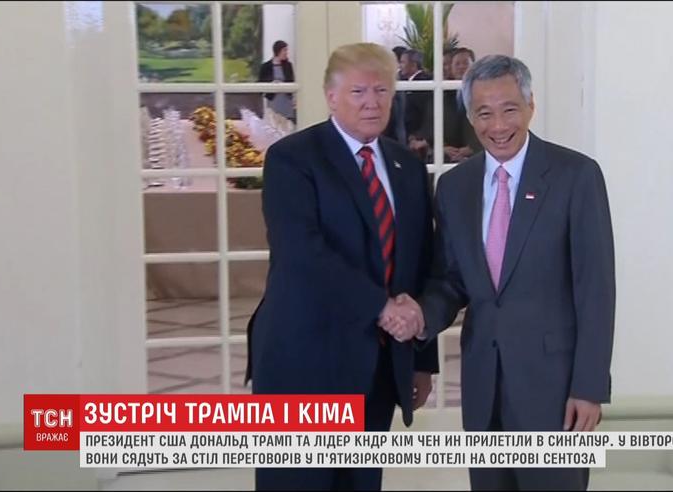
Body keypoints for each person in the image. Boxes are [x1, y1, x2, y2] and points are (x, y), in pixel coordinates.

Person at [381, 55, 616, 491]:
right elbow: (450, 279)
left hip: (554, 388)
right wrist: (419, 317)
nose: (498, 125)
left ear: (530, 106)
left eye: (509, 109)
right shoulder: (455, 186)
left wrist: (589, 386)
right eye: (484, 113)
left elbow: (596, 291)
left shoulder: (576, 176)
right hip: (483, 383)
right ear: (471, 118)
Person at [246, 42, 439, 491]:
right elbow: (302, 254)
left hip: (378, 366)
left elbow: (420, 263)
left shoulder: (407, 167)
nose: (372, 102)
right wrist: (381, 308)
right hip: (303, 361)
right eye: (358, 92)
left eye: (382, 90)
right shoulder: (293, 158)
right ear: (331, 97)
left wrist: (420, 360)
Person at [258, 40, 295, 122]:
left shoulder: (288, 66)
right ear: (278, 51)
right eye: (284, 50)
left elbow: (291, 81)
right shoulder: (266, 67)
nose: (286, 53)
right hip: (273, 100)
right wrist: (271, 84)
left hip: (286, 100)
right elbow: (260, 84)